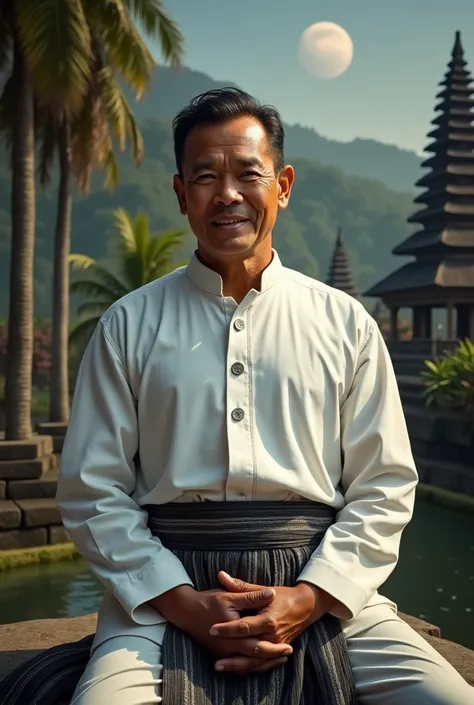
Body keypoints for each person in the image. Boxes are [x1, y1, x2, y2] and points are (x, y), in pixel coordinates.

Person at [55, 88, 473, 705]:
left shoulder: (346, 322)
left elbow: (384, 485)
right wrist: (188, 606)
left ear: (282, 185)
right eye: (205, 177)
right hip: (161, 596)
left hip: (322, 589)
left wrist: (307, 598)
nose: (227, 195)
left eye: (248, 174)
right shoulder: (127, 324)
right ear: (180, 195)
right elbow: (93, 491)